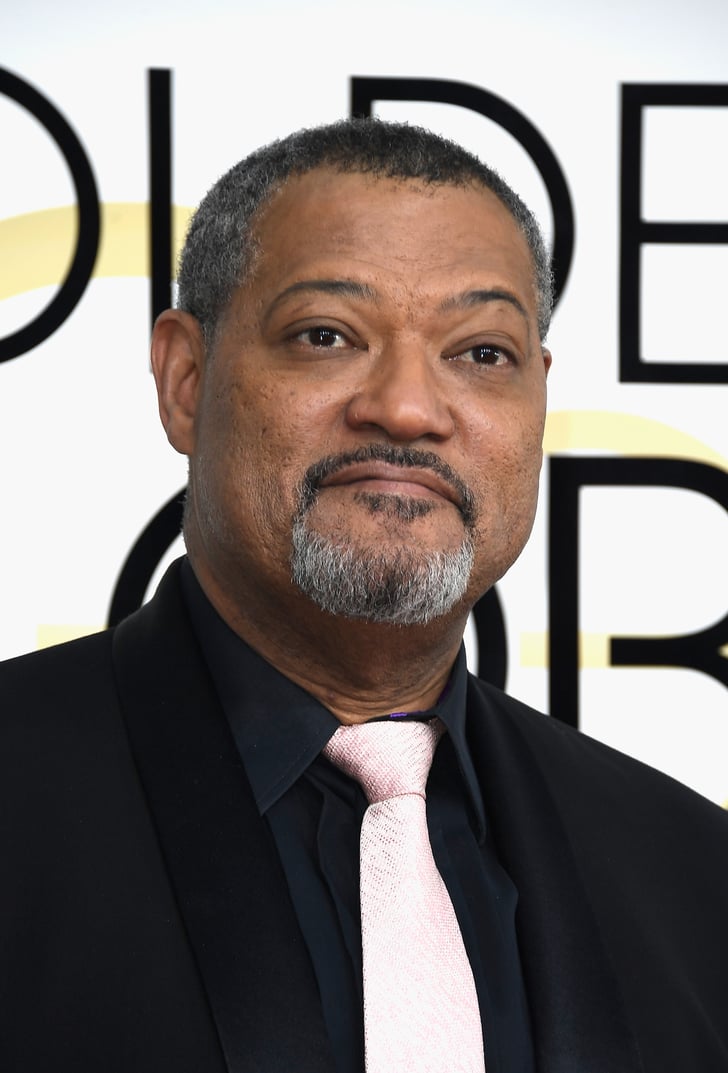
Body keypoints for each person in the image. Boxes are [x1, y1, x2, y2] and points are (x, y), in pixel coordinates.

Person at [1, 119, 727, 1073]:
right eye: (326, 335)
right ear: (186, 379)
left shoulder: (693, 874)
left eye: (482, 353)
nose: (409, 408)